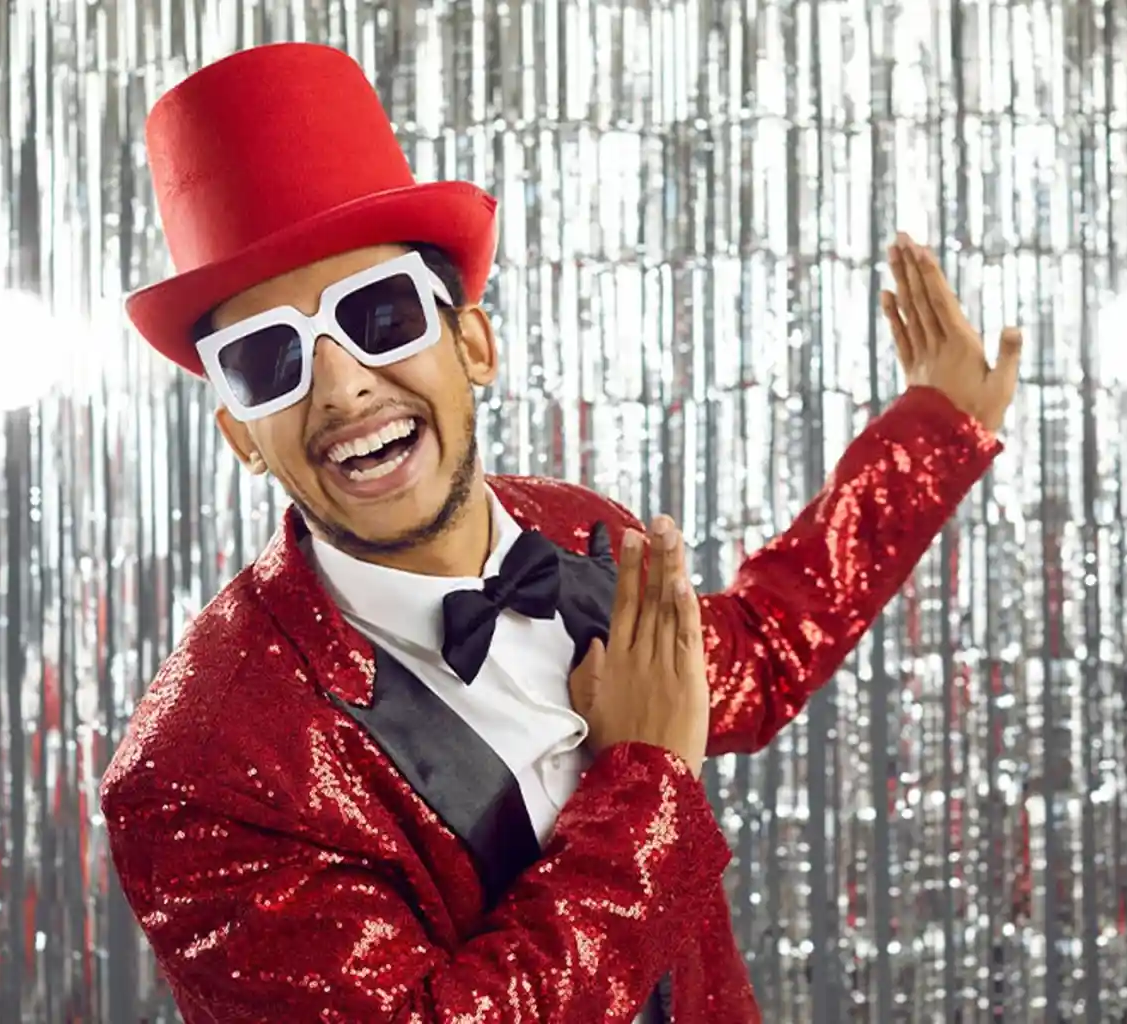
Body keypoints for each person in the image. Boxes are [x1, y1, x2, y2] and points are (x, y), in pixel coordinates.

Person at [100, 42, 1021, 1023]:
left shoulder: (579, 532)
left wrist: (931, 434)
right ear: (240, 433)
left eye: (378, 314)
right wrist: (646, 784)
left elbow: (750, 659)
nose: (341, 386)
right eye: (266, 360)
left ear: (473, 343)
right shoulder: (198, 768)